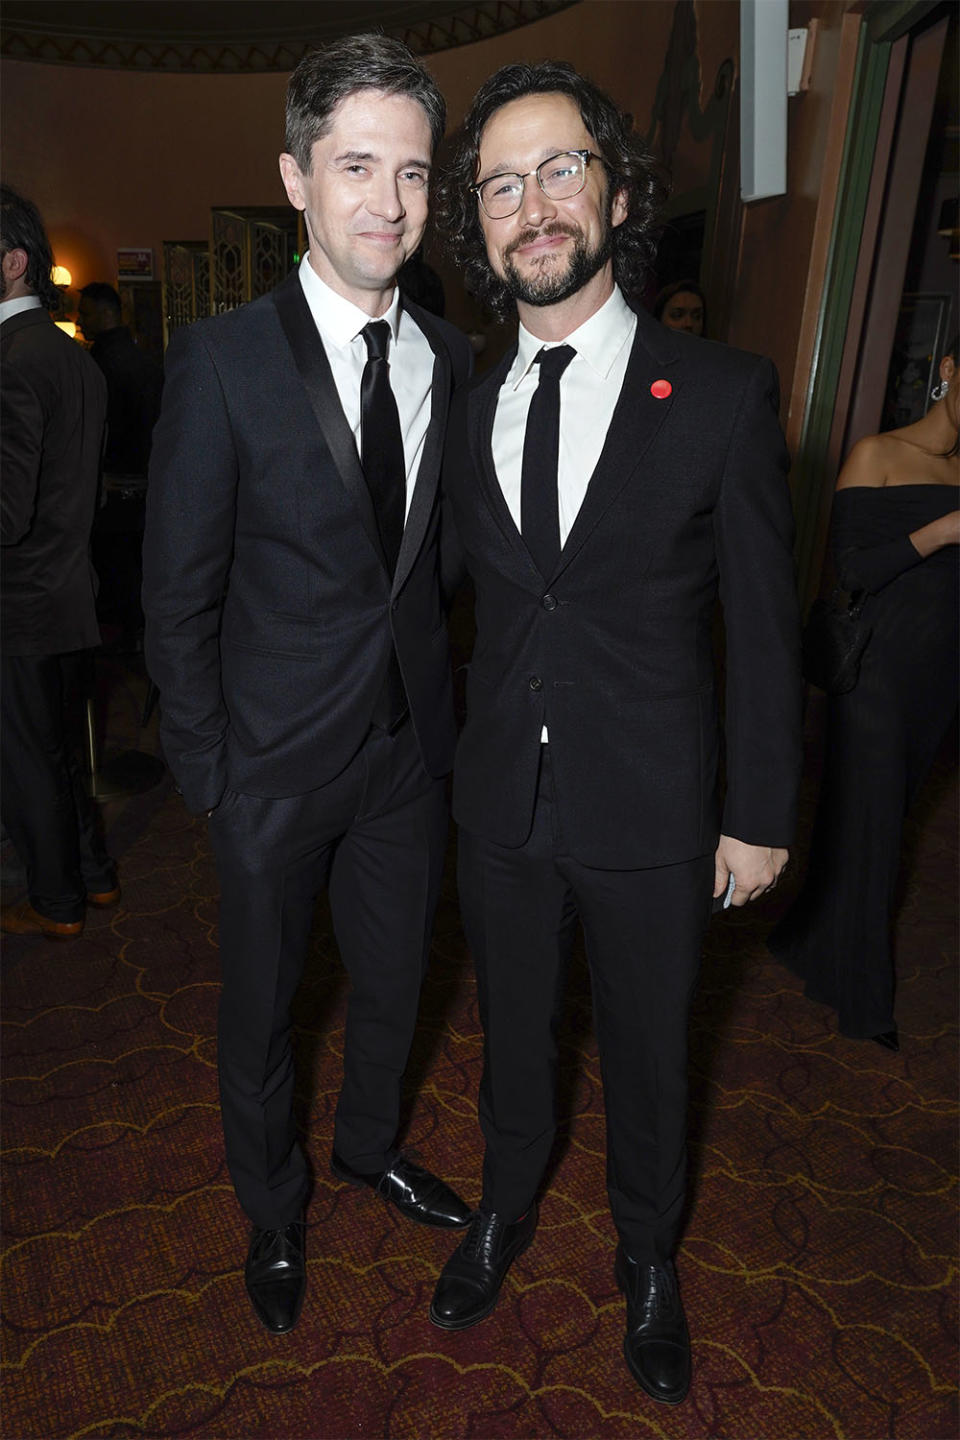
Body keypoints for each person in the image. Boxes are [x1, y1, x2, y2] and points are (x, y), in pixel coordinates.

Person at [430, 62, 801, 1405]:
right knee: (513, 1037)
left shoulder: (717, 392)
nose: (534, 205)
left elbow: (765, 628)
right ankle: (504, 1210)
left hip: (656, 810)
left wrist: (759, 811)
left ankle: (649, 1254)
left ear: (618, 192)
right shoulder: (467, 411)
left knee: (651, 1054)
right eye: (503, 185)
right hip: (501, 813)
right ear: (479, 229)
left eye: (561, 170)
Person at [142, 34, 474, 1338]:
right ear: (294, 178)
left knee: (395, 981)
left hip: (406, 755)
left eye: (411, 172)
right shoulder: (220, 365)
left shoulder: (452, 359)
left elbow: (439, 567)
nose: (386, 202)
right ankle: (274, 1206)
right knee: (266, 1009)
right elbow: (175, 596)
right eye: (355, 167)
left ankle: (370, 1146)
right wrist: (212, 773)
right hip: (269, 769)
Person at [768, 343, 959, 1050]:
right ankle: (863, 995)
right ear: (946, 369)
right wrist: (940, 532)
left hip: (939, 677)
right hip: (876, 672)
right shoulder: (876, 454)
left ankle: (812, 936)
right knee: (874, 828)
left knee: (877, 819)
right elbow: (849, 570)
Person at [0, 186, 119, 940]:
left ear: (12, 263)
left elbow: (6, 514)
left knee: (30, 761)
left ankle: (56, 900)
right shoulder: (73, 355)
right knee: (66, 753)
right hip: (72, 590)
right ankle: (95, 876)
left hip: (22, 601)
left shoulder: (13, 359)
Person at [77, 282, 164, 653]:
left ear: (104, 312)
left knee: (119, 584)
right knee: (141, 579)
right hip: (150, 491)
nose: (79, 320)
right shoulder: (145, 359)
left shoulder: (97, 366)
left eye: (84, 312)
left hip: (113, 493)